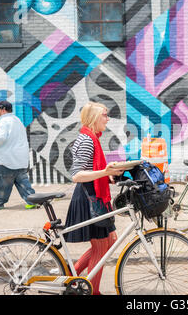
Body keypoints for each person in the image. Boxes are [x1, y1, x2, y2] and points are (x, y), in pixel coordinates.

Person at [65, 101, 125, 295]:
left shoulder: (92, 138)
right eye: (104, 115)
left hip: (94, 195)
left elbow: (92, 170)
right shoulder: (87, 140)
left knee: (106, 243)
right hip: (87, 198)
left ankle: (70, 274)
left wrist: (108, 175)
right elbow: (77, 175)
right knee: (100, 246)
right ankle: (94, 292)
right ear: (93, 118)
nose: (107, 119)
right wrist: (103, 172)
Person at [0, 101, 37, 210]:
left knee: (2, 185)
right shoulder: (17, 120)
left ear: (2, 109)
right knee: (23, 183)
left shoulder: (3, 122)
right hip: (19, 159)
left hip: (5, 159)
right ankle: (32, 201)